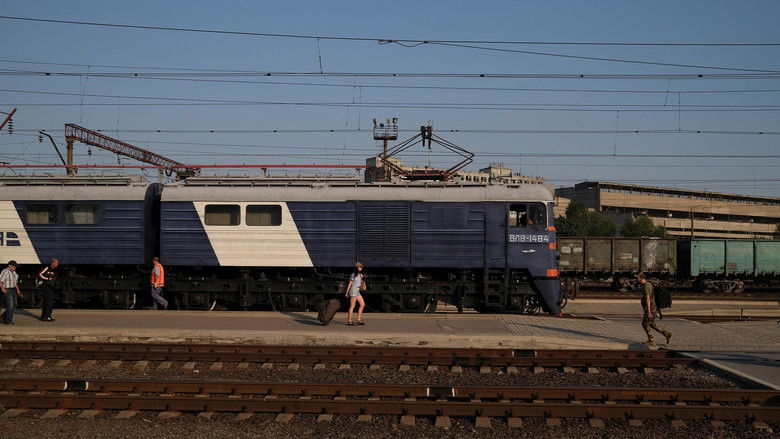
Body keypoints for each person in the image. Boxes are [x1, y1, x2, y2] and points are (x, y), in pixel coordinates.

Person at [637, 272, 672, 346]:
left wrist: (649, 311)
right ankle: (666, 333)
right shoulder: (648, 284)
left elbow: (648, 298)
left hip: (651, 307)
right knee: (651, 323)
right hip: (653, 307)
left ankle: (651, 340)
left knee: (645, 323)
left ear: (641, 278)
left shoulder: (646, 286)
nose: (636, 279)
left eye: (637, 278)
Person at [1, 260, 22, 325]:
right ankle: (8, 321)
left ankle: (3, 316)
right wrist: (3, 288)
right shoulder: (5, 271)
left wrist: (18, 289)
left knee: (14, 304)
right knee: (10, 305)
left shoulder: (14, 272)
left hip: (13, 290)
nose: (15, 267)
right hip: (8, 289)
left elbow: (14, 282)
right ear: (10, 265)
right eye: (14, 266)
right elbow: (0, 280)